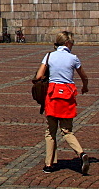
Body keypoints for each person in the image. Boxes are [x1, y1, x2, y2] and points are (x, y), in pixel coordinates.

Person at [34, 31, 90, 175]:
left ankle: (49, 164)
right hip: (67, 95)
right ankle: (81, 153)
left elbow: (39, 76)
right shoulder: (73, 58)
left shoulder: (49, 56)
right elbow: (84, 76)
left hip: (52, 95)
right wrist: (85, 87)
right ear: (67, 43)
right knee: (67, 130)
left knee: (50, 132)